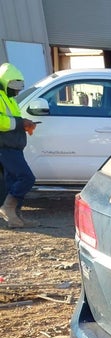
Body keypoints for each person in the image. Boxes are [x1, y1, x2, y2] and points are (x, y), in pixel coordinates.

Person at [0, 62, 37, 229]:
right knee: (27, 177)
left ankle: (15, 217)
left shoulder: (8, 99)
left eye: (19, 86)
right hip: (4, 147)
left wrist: (24, 124)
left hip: (13, 147)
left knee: (13, 180)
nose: (17, 90)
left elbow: (13, 121)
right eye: (14, 85)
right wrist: (22, 122)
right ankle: (8, 208)